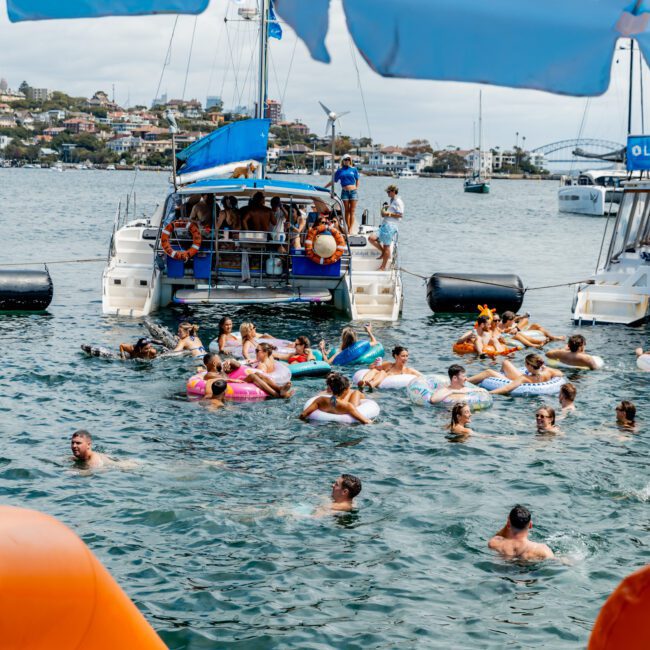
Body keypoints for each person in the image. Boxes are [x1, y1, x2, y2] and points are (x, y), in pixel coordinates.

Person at [468, 354, 563, 396]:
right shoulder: (548, 372)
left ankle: (466, 381)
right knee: (505, 362)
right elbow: (560, 373)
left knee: (488, 372)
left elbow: (506, 389)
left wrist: (486, 393)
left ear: (529, 365)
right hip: (539, 378)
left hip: (514, 381)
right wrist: (545, 368)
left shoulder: (525, 378)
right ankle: (501, 373)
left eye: (526, 364)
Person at [488, 505, 554, 561]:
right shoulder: (542, 550)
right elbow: (556, 562)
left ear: (508, 524)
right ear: (530, 525)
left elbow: (499, 536)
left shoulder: (494, 543)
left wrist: (508, 523)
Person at [300, 372, 370, 423]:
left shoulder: (320, 400)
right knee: (356, 392)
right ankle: (361, 389)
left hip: (323, 426)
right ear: (346, 389)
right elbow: (365, 421)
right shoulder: (348, 406)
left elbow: (303, 415)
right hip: (343, 427)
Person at [368, 184, 404, 272]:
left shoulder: (398, 201)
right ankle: (383, 252)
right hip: (385, 225)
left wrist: (389, 214)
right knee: (371, 238)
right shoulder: (392, 200)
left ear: (393, 191)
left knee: (386, 245)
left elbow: (400, 215)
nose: (387, 193)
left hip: (390, 226)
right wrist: (384, 212)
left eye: (388, 191)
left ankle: (383, 267)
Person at [324, 153, 359, 234]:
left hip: (353, 192)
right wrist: (325, 187)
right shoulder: (339, 171)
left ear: (350, 161)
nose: (347, 161)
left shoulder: (354, 169)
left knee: (352, 211)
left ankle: (350, 229)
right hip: (345, 192)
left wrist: (356, 188)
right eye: (345, 159)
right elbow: (333, 181)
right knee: (346, 211)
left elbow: (357, 180)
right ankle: (349, 228)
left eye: (348, 159)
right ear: (343, 161)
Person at [358, 345, 423, 388]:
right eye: (403, 356)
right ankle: (363, 382)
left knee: (383, 372)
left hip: (386, 390)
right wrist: (374, 363)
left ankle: (372, 384)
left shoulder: (408, 370)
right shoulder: (388, 365)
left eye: (407, 356)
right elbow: (371, 368)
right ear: (396, 356)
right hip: (378, 379)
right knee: (378, 371)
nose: (405, 358)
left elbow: (423, 377)